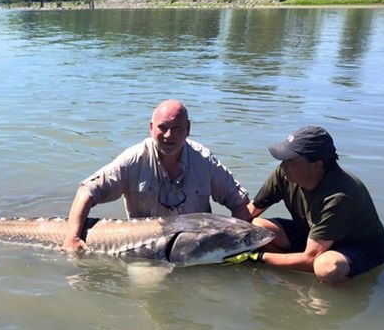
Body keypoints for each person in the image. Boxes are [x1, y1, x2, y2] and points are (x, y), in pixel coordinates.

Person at [61, 99, 250, 251]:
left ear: (188, 129)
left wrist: (234, 245)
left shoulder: (204, 161)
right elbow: (86, 191)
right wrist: (72, 238)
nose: (169, 135)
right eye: (163, 127)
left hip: (193, 247)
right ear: (151, 128)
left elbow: (242, 205)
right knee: (146, 292)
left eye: (176, 129)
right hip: (144, 249)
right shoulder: (134, 159)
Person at [237, 126, 384, 283]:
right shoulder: (285, 173)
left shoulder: (340, 196)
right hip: (312, 235)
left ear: (317, 165)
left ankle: (334, 295)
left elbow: (311, 259)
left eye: (290, 161)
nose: (283, 166)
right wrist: (218, 236)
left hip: (354, 248)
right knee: (256, 227)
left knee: (327, 267)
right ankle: (287, 275)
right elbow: (251, 212)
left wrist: (255, 257)